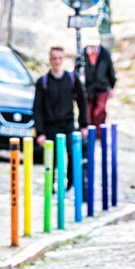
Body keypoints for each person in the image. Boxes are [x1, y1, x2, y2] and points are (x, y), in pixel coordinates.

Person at [33, 46, 82, 183]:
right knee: (52, 159)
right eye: (54, 58)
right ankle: (52, 188)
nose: (57, 61)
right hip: (50, 126)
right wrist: (40, 132)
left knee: (72, 155)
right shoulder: (43, 82)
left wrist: (83, 124)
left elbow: (82, 102)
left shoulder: (72, 79)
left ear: (64, 59)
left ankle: (70, 186)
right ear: (50, 60)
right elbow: (37, 109)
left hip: (68, 124)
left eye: (60, 58)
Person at [79, 33, 116, 127]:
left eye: (94, 46)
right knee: (88, 114)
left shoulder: (105, 53)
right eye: (91, 45)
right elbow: (77, 71)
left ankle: (99, 136)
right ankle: (90, 136)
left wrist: (112, 87)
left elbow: (110, 70)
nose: (92, 48)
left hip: (102, 87)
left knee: (100, 112)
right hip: (88, 89)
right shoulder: (82, 54)